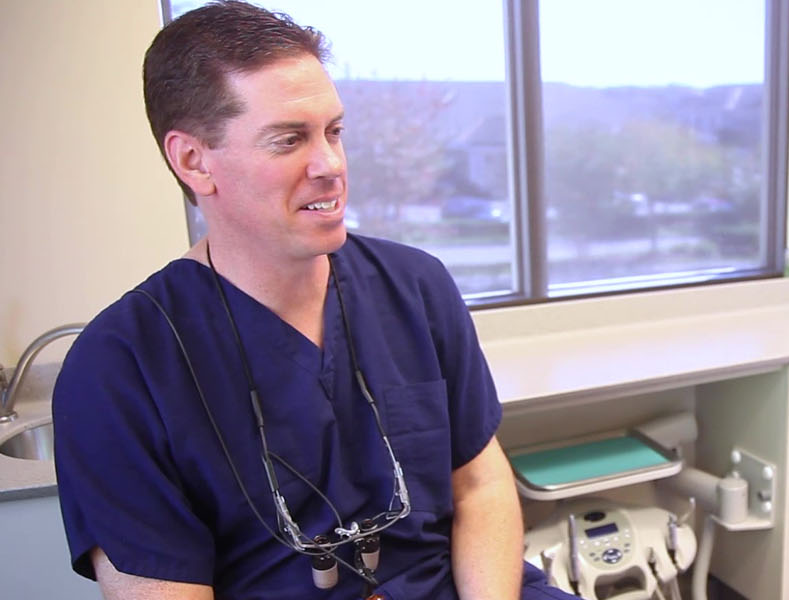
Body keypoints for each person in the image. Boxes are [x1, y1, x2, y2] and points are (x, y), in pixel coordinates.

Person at [51, 2, 576, 598]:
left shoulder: (415, 287)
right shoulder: (119, 369)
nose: (331, 165)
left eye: (334, 131)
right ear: (194, 161)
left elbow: (479, 488)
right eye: (288, 141)